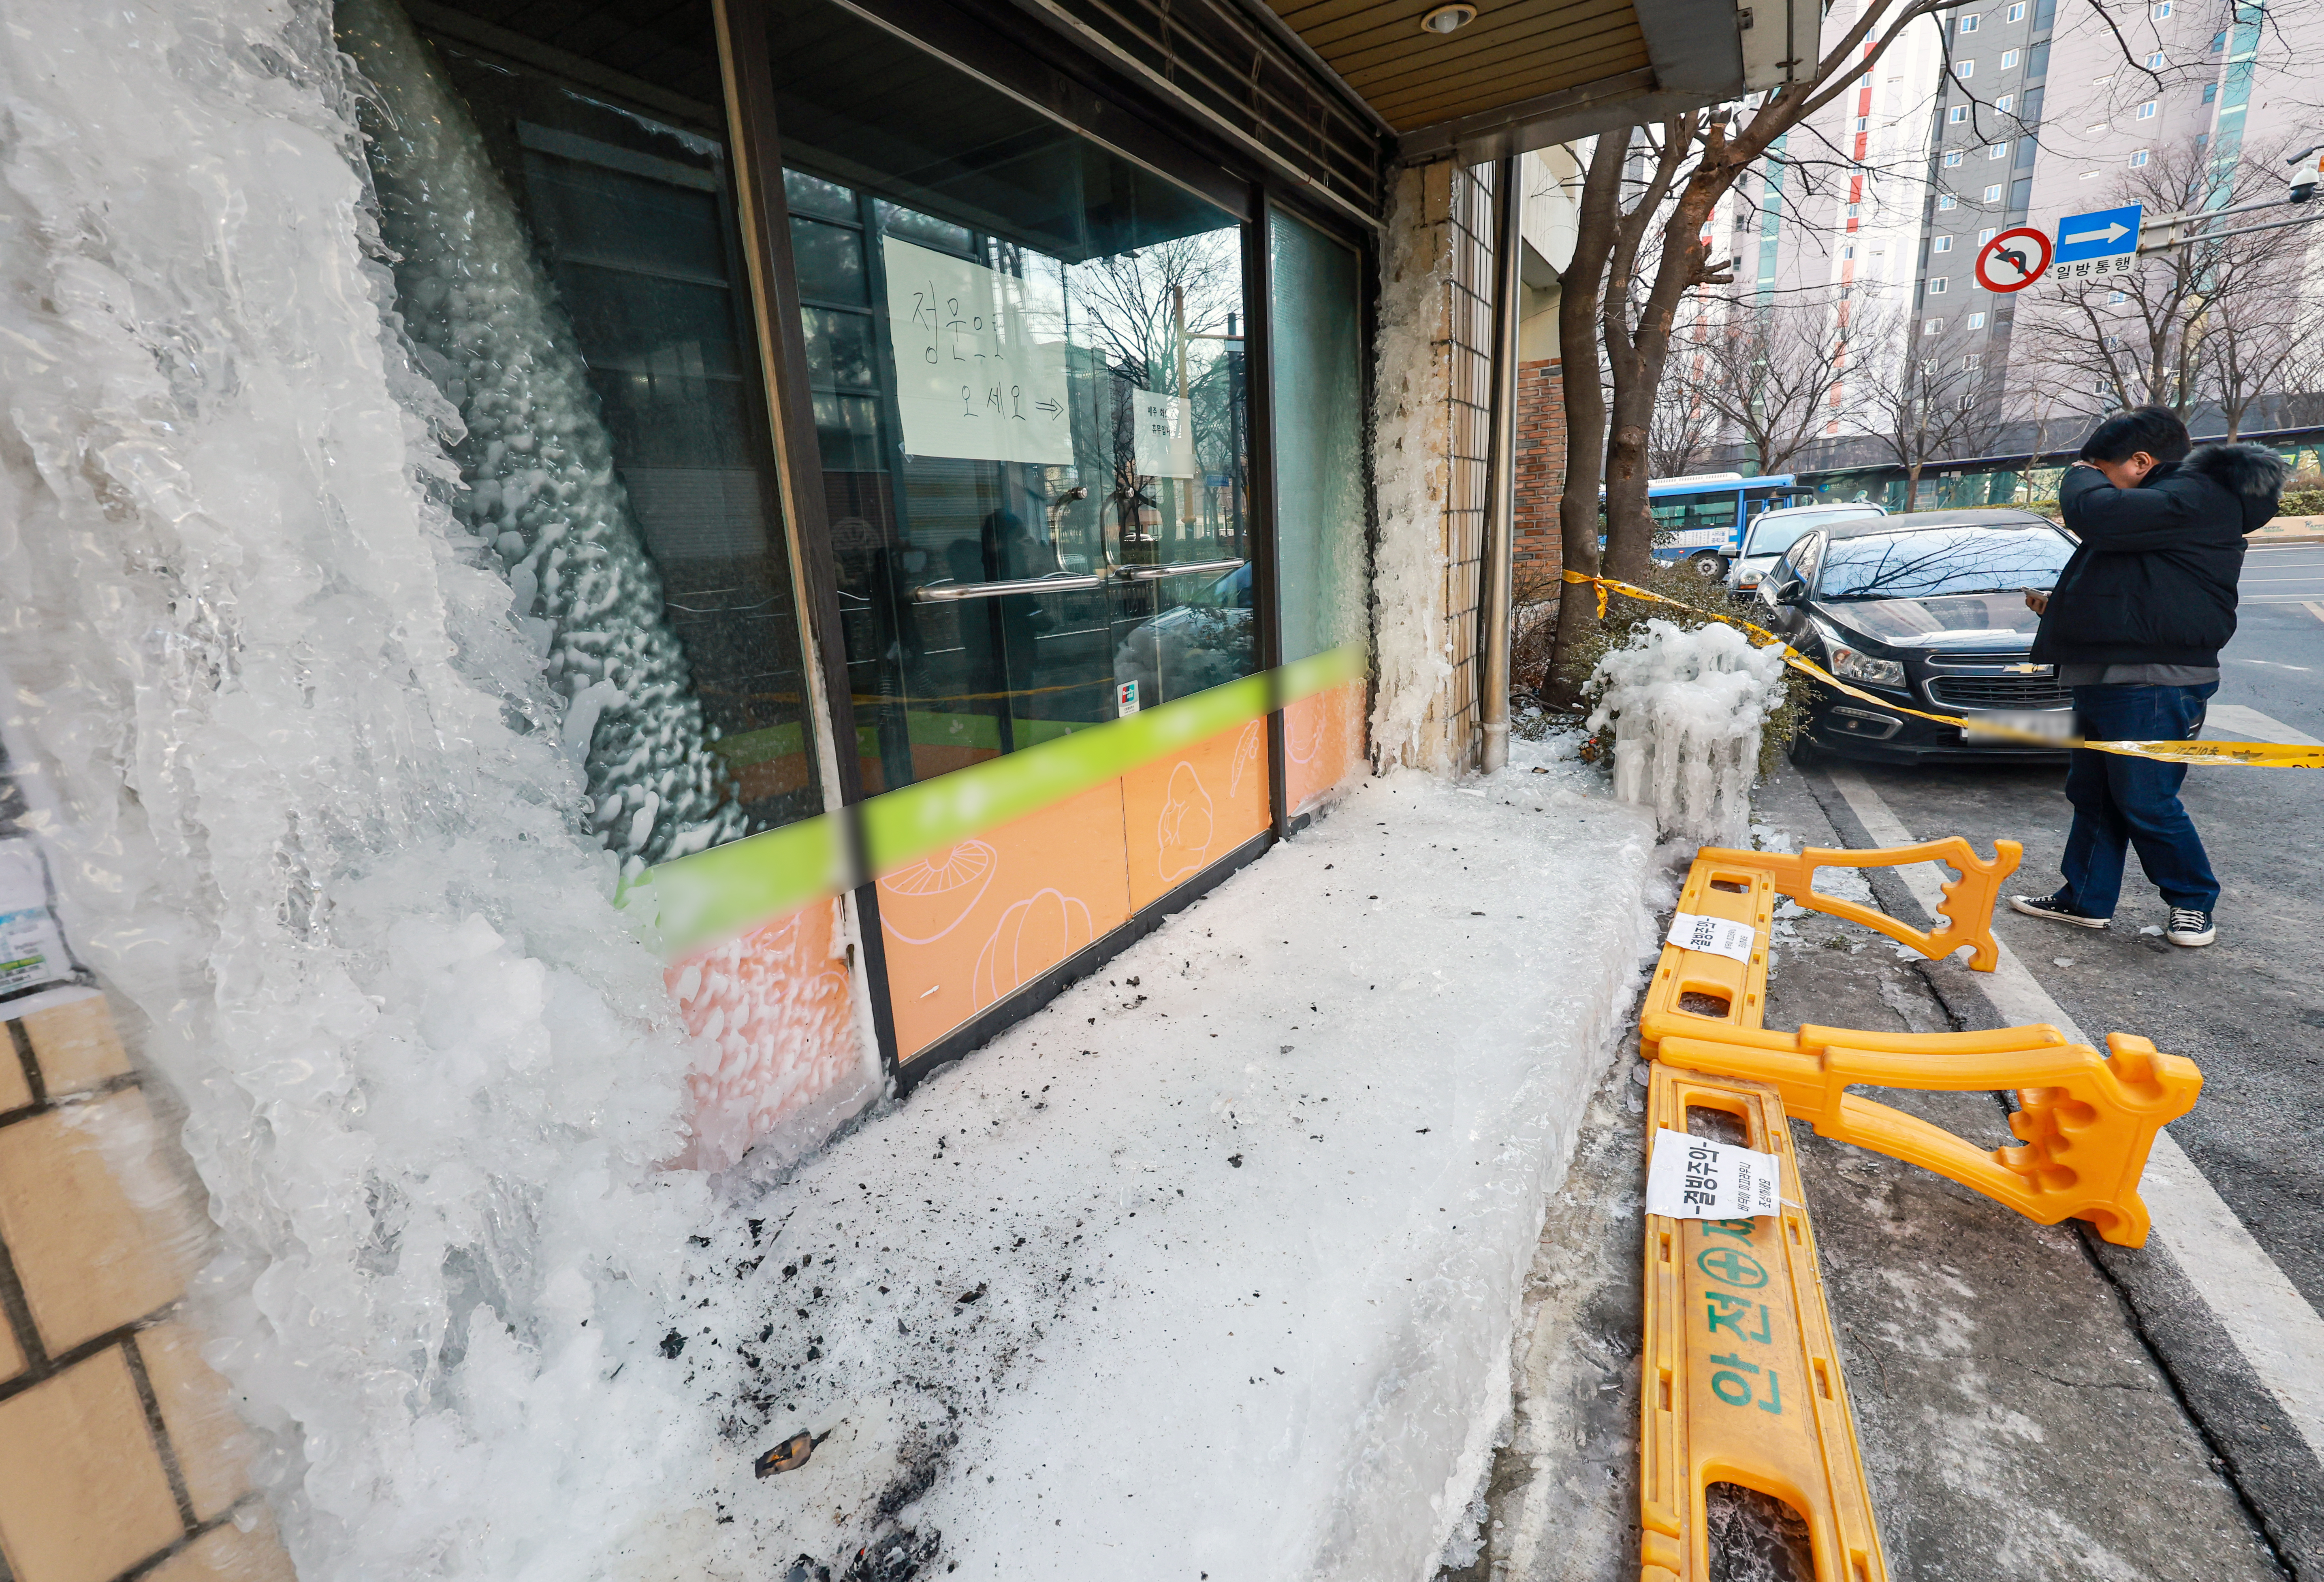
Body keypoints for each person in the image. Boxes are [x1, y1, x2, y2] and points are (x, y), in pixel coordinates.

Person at [2010, 406, 2286, 947]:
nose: (2093, 480)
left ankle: (2191, 902)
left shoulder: (2196, 496)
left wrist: (2078, 475)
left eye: (2101, 470)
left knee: (2145, 797)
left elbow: (2098, 517)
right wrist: (2063, 609)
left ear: (2139, 462)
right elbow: (2140, 588)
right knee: (2093, 794)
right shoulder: (2167, 505)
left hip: (2154, 681)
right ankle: (2084, 898)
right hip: (2112, 675)